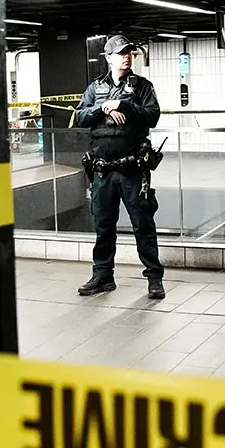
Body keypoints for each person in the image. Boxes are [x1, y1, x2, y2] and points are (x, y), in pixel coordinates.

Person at [73, 35, 165, 299]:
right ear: (108, 57)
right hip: (102, 171)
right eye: (121, 53)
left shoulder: (142, 86)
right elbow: (80, 116)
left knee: (143, 225)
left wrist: (124, 105)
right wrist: (103, 107)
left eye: (129, 53)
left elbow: (153, 116)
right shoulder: (95, 88)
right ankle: (102, 276)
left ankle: (154, 279)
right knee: (103, 226)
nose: (127, 56)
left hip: (133, 171)